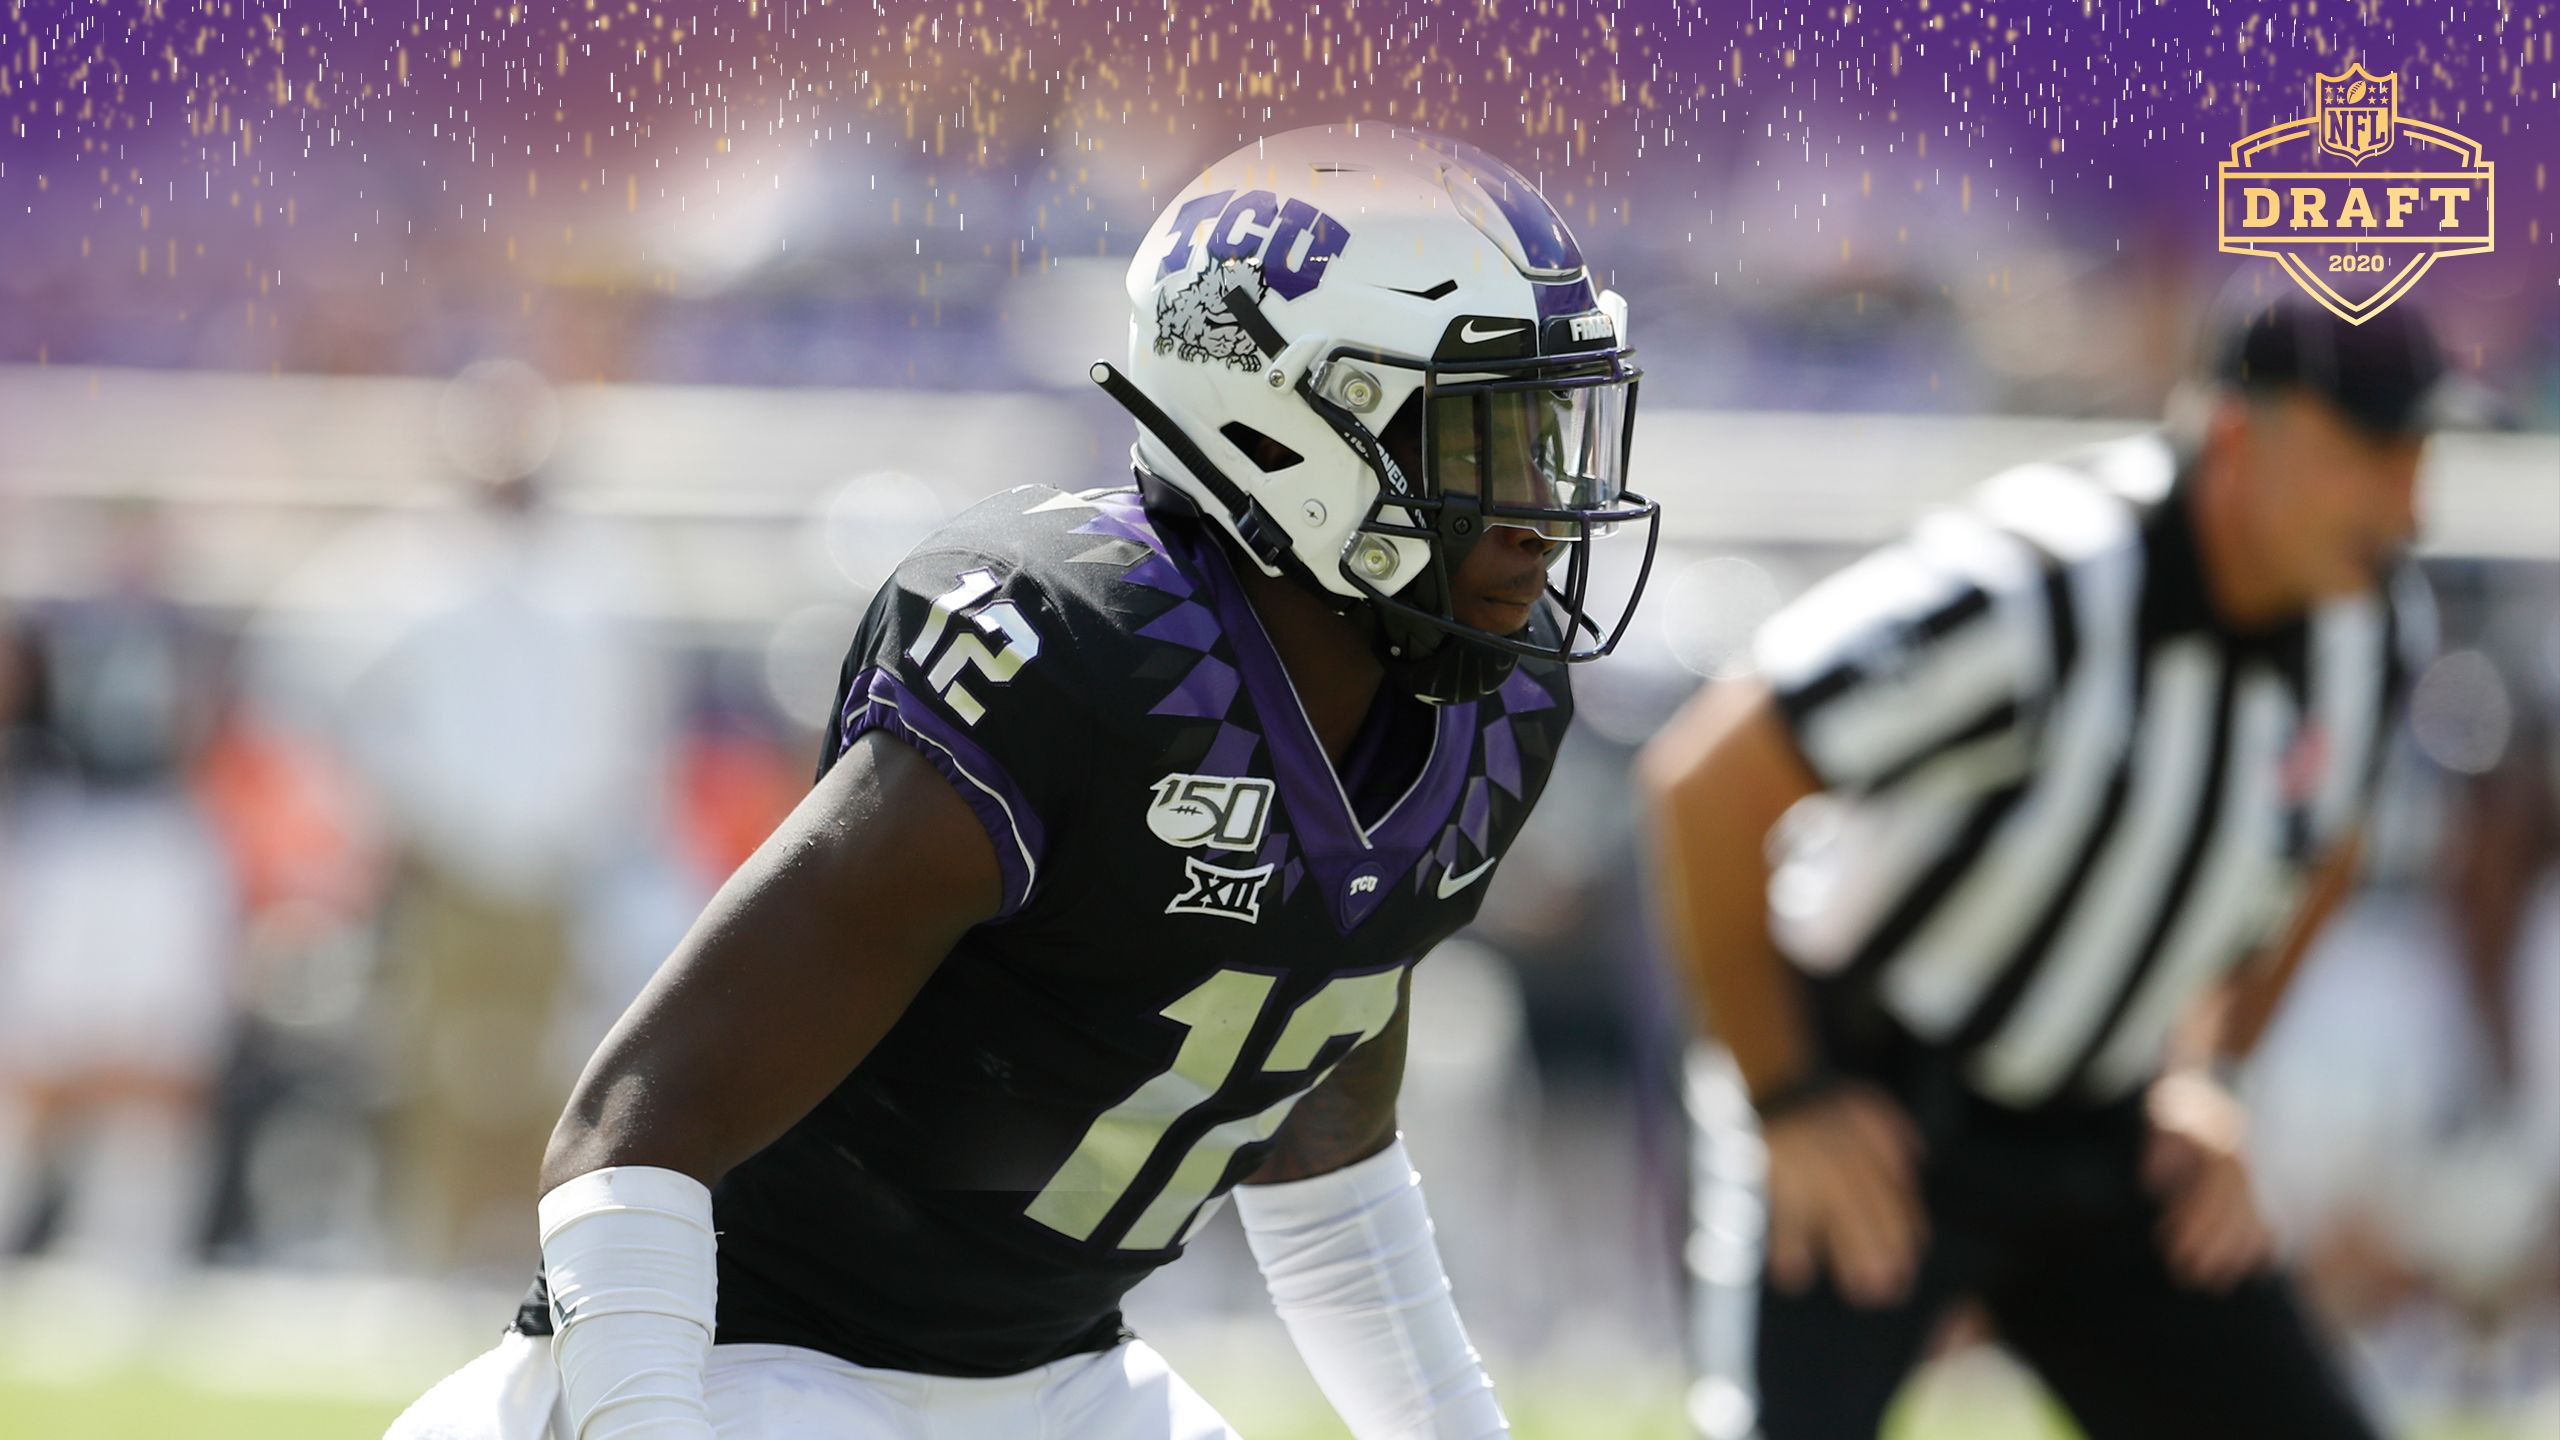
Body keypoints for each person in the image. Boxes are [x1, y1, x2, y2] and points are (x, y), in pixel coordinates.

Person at [387, 123, 1659, 1440]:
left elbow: (1322, 1138)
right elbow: (637, 1123)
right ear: (1288, 426)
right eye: (1482, 441)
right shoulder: (1079, 656)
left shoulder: (1490, 705)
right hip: (746, 1353)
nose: (1541, 508)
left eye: (1551, 430)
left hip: (1059, 1377)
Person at [1637, 294, 2441, 1439]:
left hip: (2105, 1125)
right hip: (1874, 1098)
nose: (2407, 505)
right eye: (2365, 454)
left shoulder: (2368, 627)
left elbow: (2325, 844)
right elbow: (1705, 782)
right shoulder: (2037, 584)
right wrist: (1787, 1097)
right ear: (2233, 438)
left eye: (2416, 455)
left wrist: (2206, 1073)